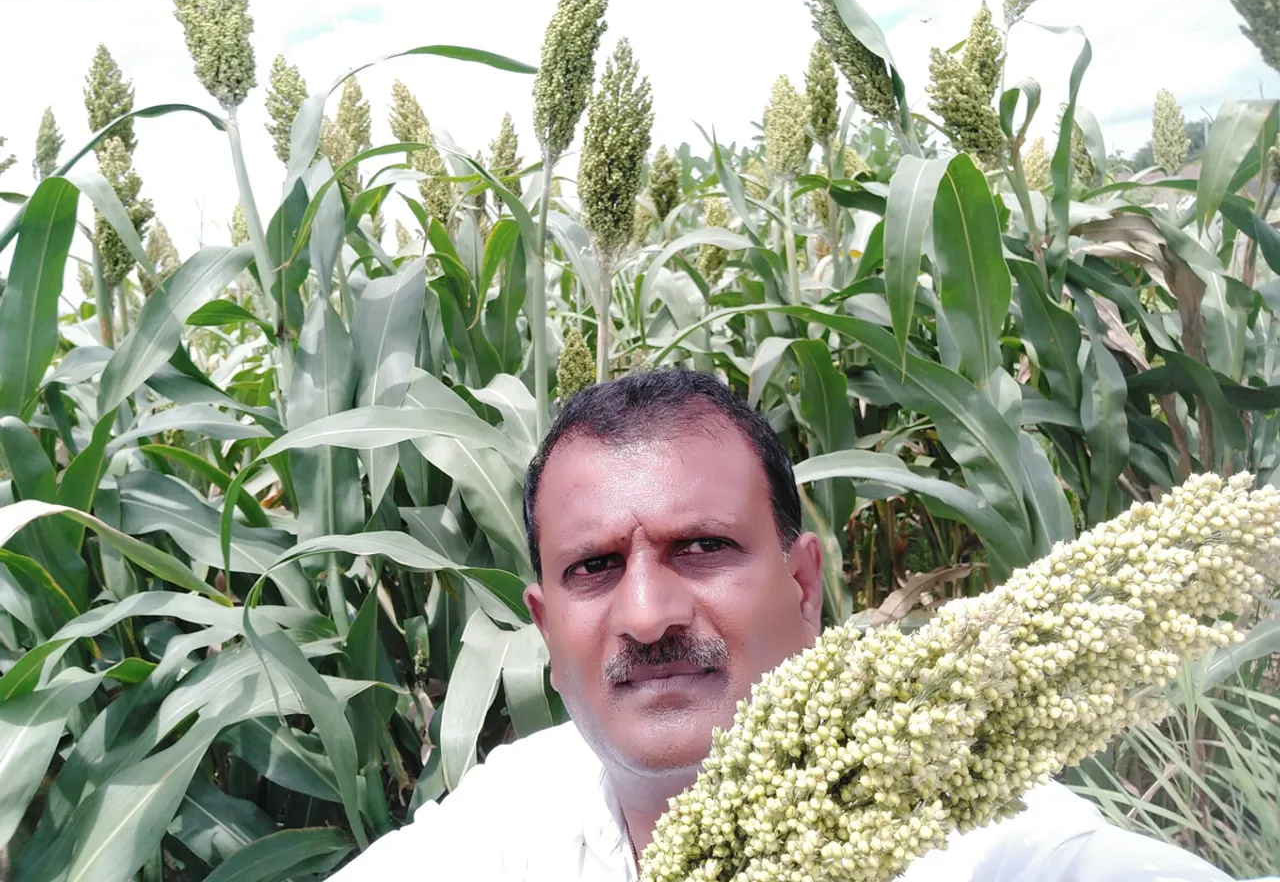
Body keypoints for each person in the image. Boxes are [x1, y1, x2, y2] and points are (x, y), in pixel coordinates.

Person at [329, 369, 1274, 882]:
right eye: (594, 568)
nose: (650, 614)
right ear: (543, 626)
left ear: (805, 583)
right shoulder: (514, 816)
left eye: (702, 547)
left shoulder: (1001, 851)